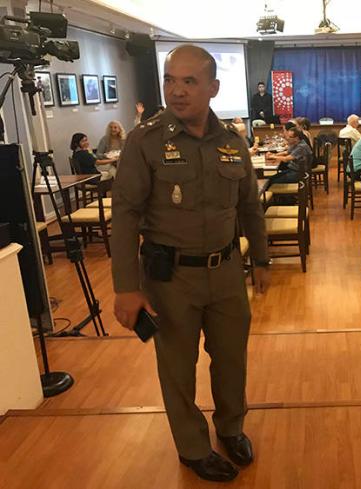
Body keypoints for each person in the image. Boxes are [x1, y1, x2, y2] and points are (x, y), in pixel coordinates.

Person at [111, 45, 270, 483]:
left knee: (232, 360)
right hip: (170, 278)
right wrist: (126, 287)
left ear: (213, 88)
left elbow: (250, 207)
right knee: (178, 369)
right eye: (169, 80)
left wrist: (261, 258)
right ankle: (193, 448)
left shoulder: (233, 144)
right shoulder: (145, 141)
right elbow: (124, 214)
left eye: (189, 81)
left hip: (226, 273)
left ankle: (231, 428)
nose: (176, 91)